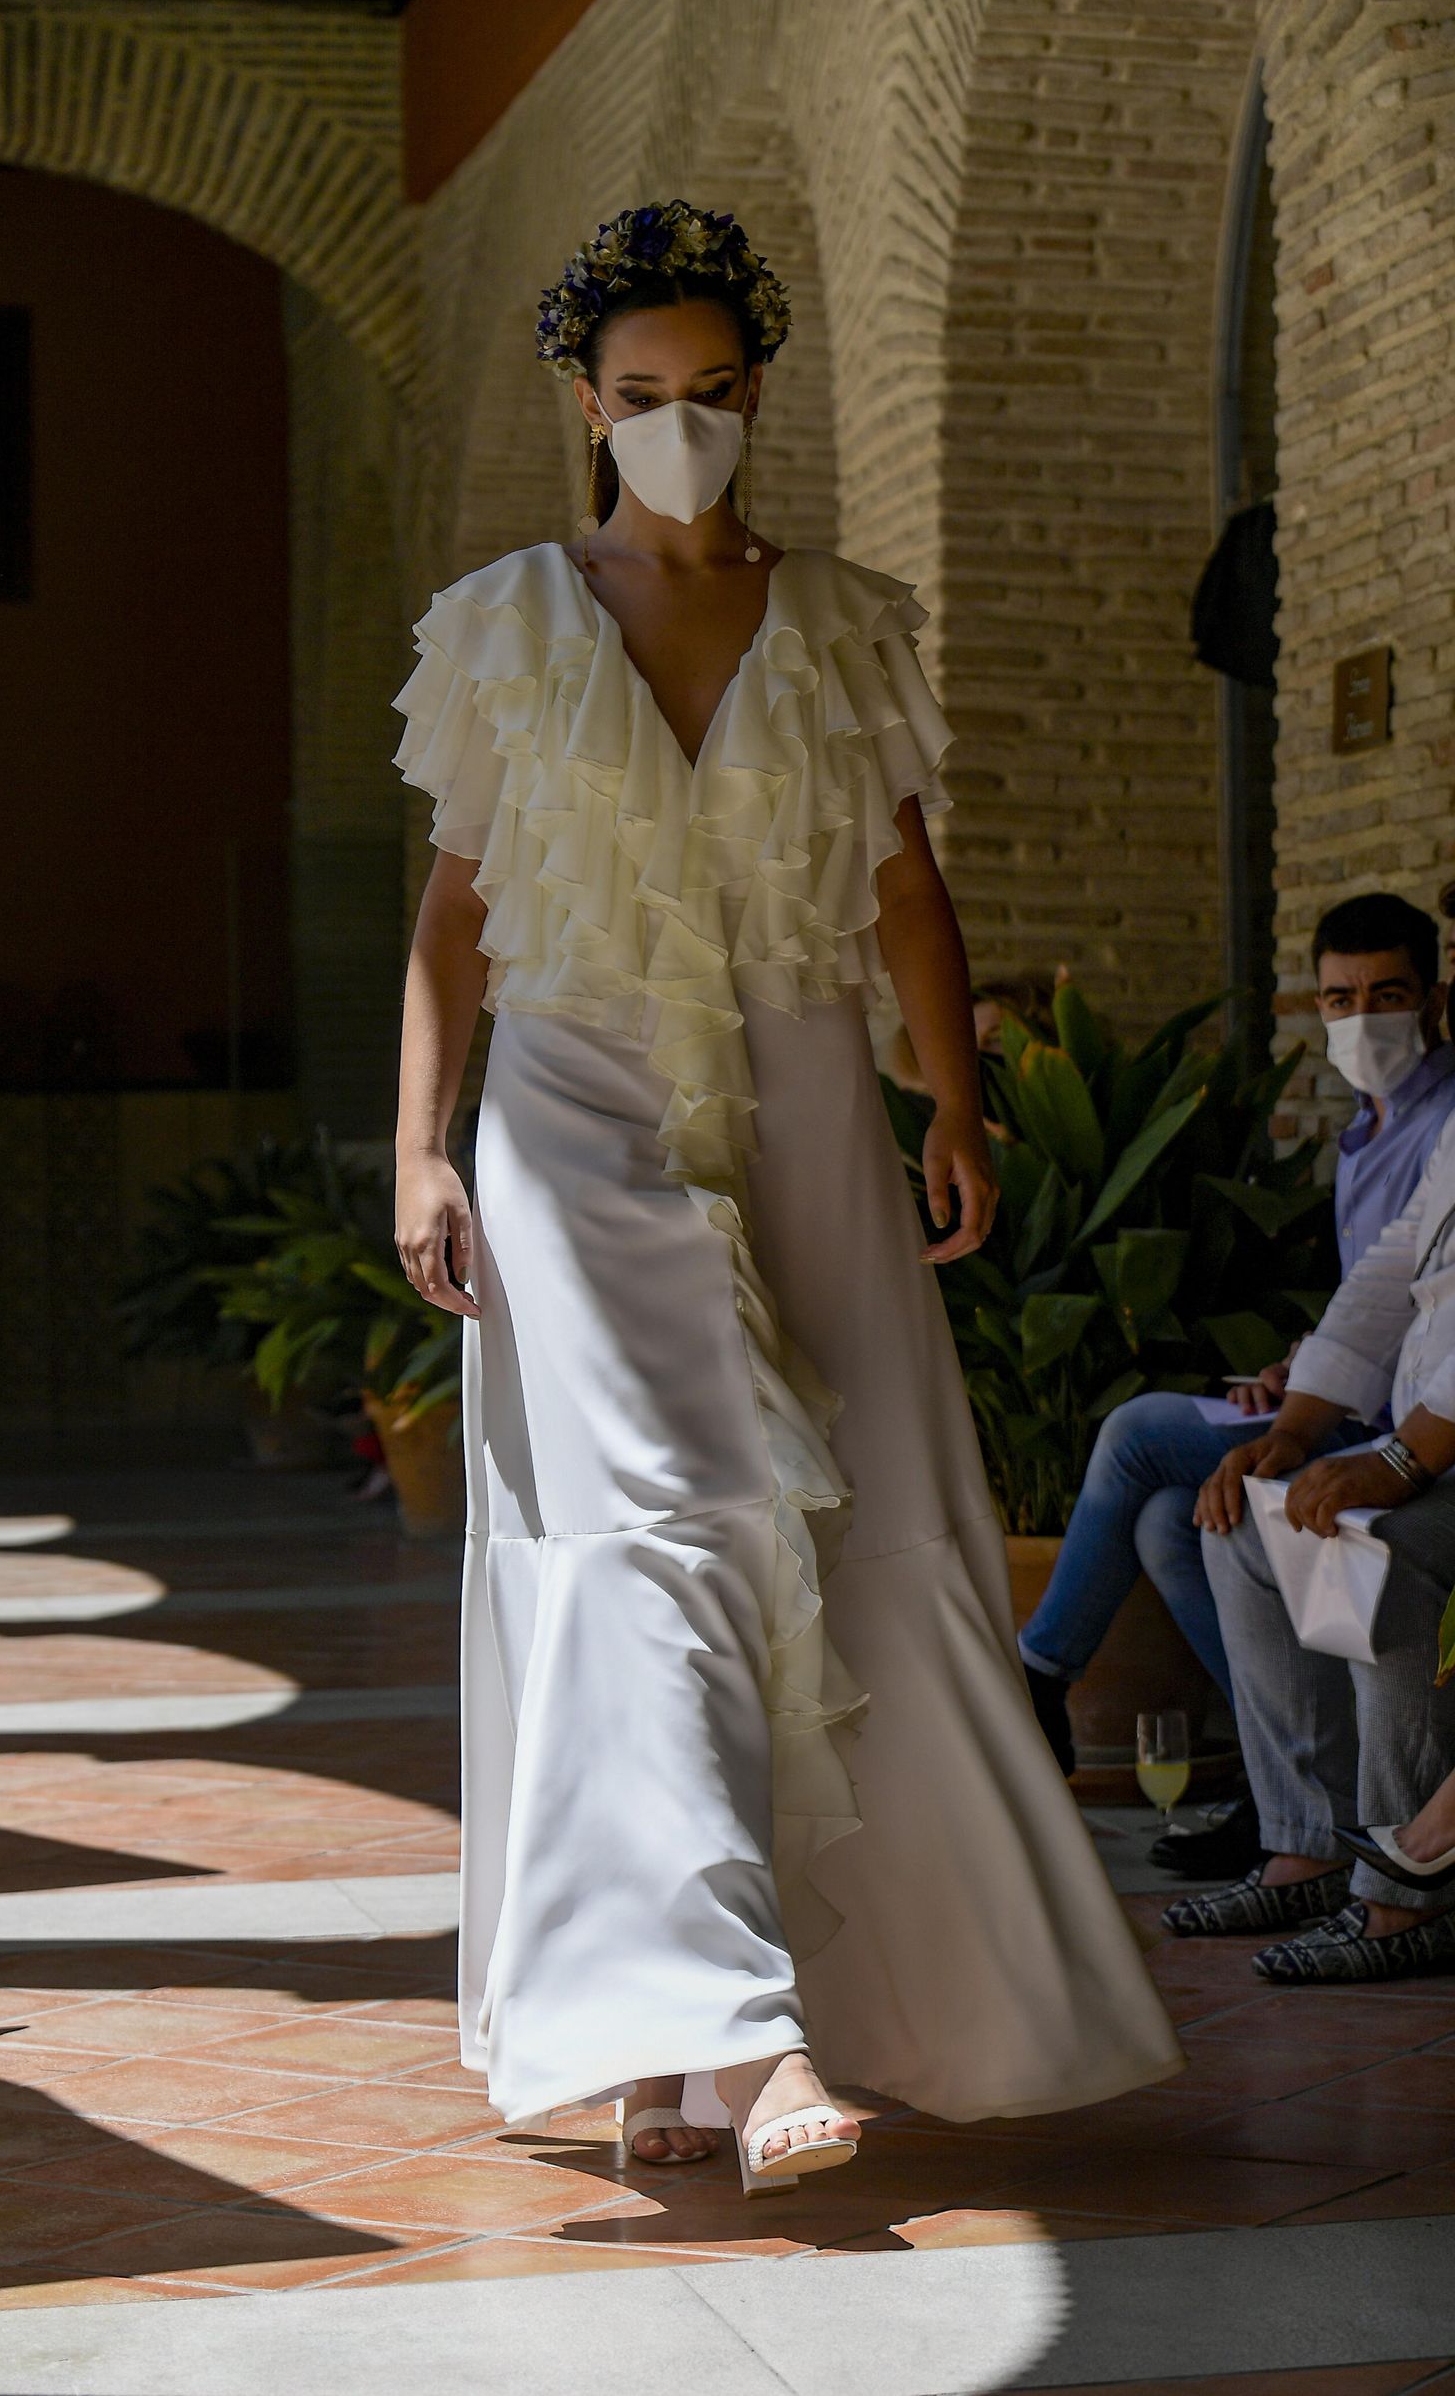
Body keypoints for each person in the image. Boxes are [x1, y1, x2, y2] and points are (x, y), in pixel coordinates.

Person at [392, 199, 1182, 2194]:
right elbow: (452, 914)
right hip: (569, 1096)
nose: (681, 426)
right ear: (585, 398)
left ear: (758, 395)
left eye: (716, 395)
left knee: (850, 1518)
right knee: (662, 1514)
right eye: (642, 397)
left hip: (809, 1083)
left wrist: (957, 1101)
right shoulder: (500, 617)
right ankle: (742, 2029)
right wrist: (418, 1142)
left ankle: (658, 2046)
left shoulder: (840, 618)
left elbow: (903, 883)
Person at [1018, 891, 1454, 1874]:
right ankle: (1285, 1796)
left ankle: (1037, 1669)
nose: (1362, 1015)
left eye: (1387, 992)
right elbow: (1385, 1282)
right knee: (1174, 1517)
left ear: (1431, 995)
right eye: (1340, 995)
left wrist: (1330, 1429)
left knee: (1136, 1433)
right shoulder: (1371, 1125)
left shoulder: (1441, 1115)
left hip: (1399, 1428)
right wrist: (1297, 1381)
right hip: (1345, 1403)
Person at [1173, 1106, 1455, 1983]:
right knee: (1246, 1529)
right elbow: (1388, 1277)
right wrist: (1295, 1432)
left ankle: (1405, 1888)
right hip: (1423, 1438)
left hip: (1440, 1446)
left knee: (1387, 1549)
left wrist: (1403, 1460)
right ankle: (1307, 1847)